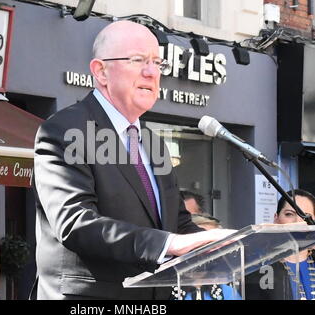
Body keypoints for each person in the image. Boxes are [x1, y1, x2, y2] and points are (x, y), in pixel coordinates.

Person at [32, 20, 235, 300]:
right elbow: (76, 222)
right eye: (137, 60)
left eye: (157, 62)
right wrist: (171, 243)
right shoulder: (65, 130)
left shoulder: (152, 142)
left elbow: (176, 224)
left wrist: (226, 243)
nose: (152, 72)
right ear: (100, 71)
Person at [245, 189, 315, 300]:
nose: (298, 221)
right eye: (289, 214)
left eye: (306, 216)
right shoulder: (258, 266)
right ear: (276, 219)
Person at [172, 214, 241, 300]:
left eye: (214, 243)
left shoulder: (226, 291)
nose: (208, 248)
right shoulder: (162, 291)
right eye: (204, 242)